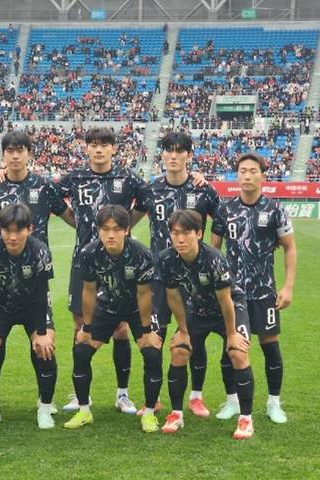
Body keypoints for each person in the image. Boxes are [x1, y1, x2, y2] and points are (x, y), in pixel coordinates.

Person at [0, 130, 74, 414]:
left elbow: (69, 216)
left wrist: (99, 234)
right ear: (3, 155)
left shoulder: (44, 186)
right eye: (10, 151)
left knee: (43, 341)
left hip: (35, 278)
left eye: (20, 150)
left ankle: (45, 401)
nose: (15, 155)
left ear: (29, 153)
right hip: (0, 278)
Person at [58, 127, 149, 414]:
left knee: (121, 328)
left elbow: (148, 199)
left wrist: (125, 226)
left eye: (104, 144)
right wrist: (77, 222)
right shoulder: (75, 178)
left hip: (119, 264)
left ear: (113, 148)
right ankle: (79, 394)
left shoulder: (127, 177)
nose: (99, 149)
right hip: (84, 260)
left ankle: (122, 394)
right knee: (80, 326)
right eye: (93, 144)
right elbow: (51, 198)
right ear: (86, 148)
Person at [139, 131, 220, 418]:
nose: (173, 156)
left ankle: (196, 397)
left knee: (195, 336)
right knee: (155, 337)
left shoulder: (203, 190)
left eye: (179, 151)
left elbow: (222, 223)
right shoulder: (150, 190)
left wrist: (213, 256)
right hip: (159, 277)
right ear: (162, 154)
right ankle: (153, 398)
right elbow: (127, 220)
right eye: (168, 150)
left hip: (195, 280)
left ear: (189, 155)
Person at [211, 153, 297, 424]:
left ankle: (274, 404)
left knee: (270, 347)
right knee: (231, 347)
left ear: (263, 175)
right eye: (242, 171)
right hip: (232, 294)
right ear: (236, 175)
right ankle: (232, 401)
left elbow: (290, 247)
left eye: (252, 171)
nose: (247, 175)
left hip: (264, 292)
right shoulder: (225, 210)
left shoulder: (275, 209)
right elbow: (214, 250)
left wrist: (288, 287)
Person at [63, 205, 163, 433]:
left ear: (126, 230)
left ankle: (149, 413)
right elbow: (89, 290)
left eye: (117, 229)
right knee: (81, 350)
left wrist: (147, 332)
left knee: (152, 352)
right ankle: (84, 411)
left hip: (137, 308)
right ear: (98, 230)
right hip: (107, 304)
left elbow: (144, 294)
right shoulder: (89, 253)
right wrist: (87, 327)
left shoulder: (141, 254)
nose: (111, 235)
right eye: (105, 229)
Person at [159, 209, 255, 439]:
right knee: (179, 350)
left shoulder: (213, 259)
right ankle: (176, 414)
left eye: (186, 233)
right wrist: (183, 331)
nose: (180, 239)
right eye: (175, 233)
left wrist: (231, 334)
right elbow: (173, 296)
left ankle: (246, 419)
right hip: (198, 308)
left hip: (229, 307)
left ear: (199, 233)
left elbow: (225, 300)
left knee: (238, 352)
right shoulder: (166, 259)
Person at [0, 204, 57, 429]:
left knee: (44, 348)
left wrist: (42, 333)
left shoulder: (40, 251)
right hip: (1, 307)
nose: (12, 237)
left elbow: (41, 292)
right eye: (6, 231)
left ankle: (45, 407)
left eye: (18, 231)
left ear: (29, 229)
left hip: (33, 307)